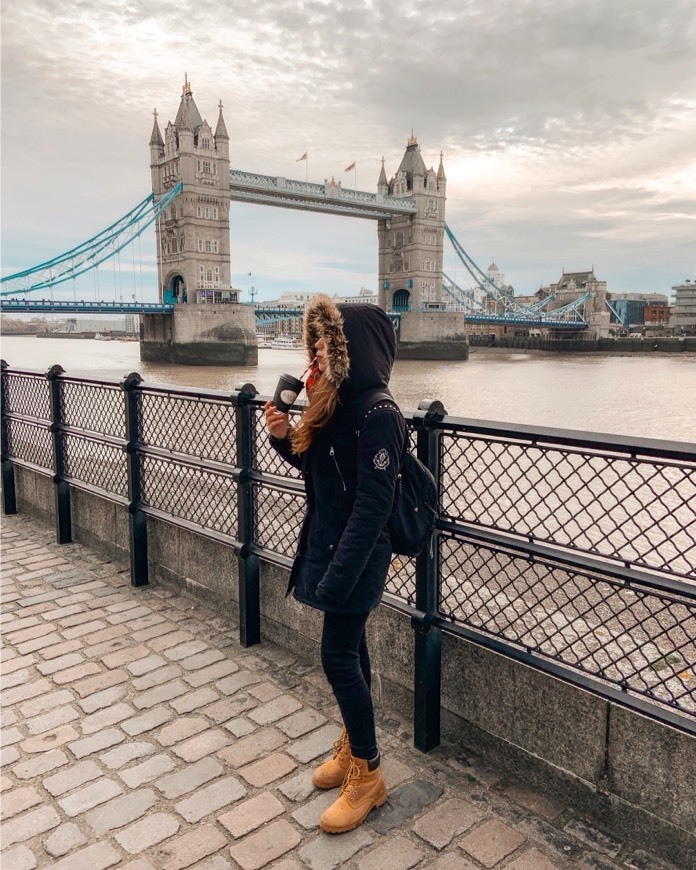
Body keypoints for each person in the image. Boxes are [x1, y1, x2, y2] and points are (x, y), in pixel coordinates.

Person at [264, 295, 405, 834]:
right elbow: (319, 470)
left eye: (325, 345)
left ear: (352, 349)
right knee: (354, 652)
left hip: (357, 557)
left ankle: (367, 775)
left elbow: (374, 506)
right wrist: (282, 438)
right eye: (315, 344)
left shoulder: (379, 413)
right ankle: (351, 749)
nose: (316, 356)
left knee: (337, 658)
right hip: (331, 547)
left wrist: (338, 577)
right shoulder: (338, 405)